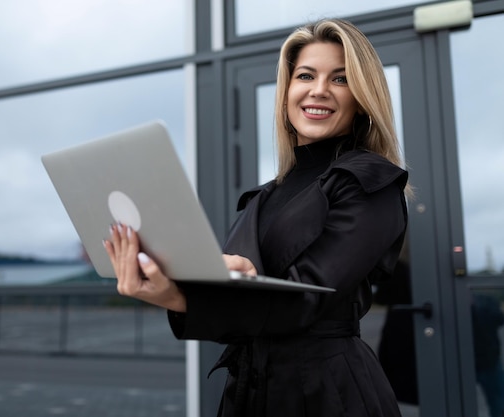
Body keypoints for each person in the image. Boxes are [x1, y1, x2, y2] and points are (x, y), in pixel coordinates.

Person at [105, 18, 408, 417]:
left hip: (328, 393)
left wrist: (179, 298)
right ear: (286, 93)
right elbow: (247, 304)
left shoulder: (371, 182)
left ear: (362, 97)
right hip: (251, 389)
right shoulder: (266, 195)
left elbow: (309, 297)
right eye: (305, 75)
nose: (318, 90)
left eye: (340, 79)